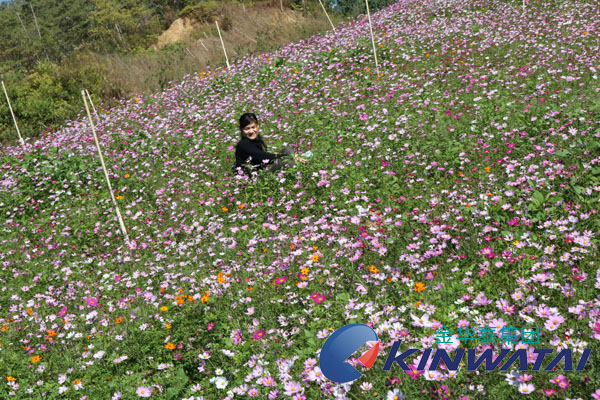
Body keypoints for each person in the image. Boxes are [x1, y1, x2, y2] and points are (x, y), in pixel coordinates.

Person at [232, 112, 305, 177]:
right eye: (247, 129)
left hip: (260, 175)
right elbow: (263, 157)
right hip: (252, 181)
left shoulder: (256, 141)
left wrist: (288, 156)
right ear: (241, 129)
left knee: (286, 150)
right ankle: (298, 175)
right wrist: (289, 157)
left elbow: (264, 158)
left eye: (253, 127)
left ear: (258, 126)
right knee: (286, 160)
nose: (251, 131)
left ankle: (301, 167)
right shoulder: (243, 144)